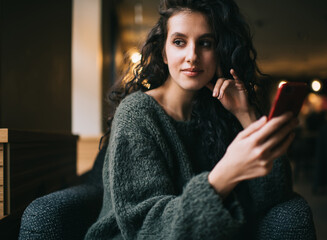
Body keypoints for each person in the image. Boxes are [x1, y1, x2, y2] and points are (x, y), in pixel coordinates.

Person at [85, 0, 309, 239]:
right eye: (179, 42)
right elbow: (148, 229)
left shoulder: (220, 112)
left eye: (205, 43)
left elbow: (273, 195)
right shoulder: (137, 114)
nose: (192, 56)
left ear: (219, 52)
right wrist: (226, 173)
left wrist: (247, 115)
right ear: (164, 52)